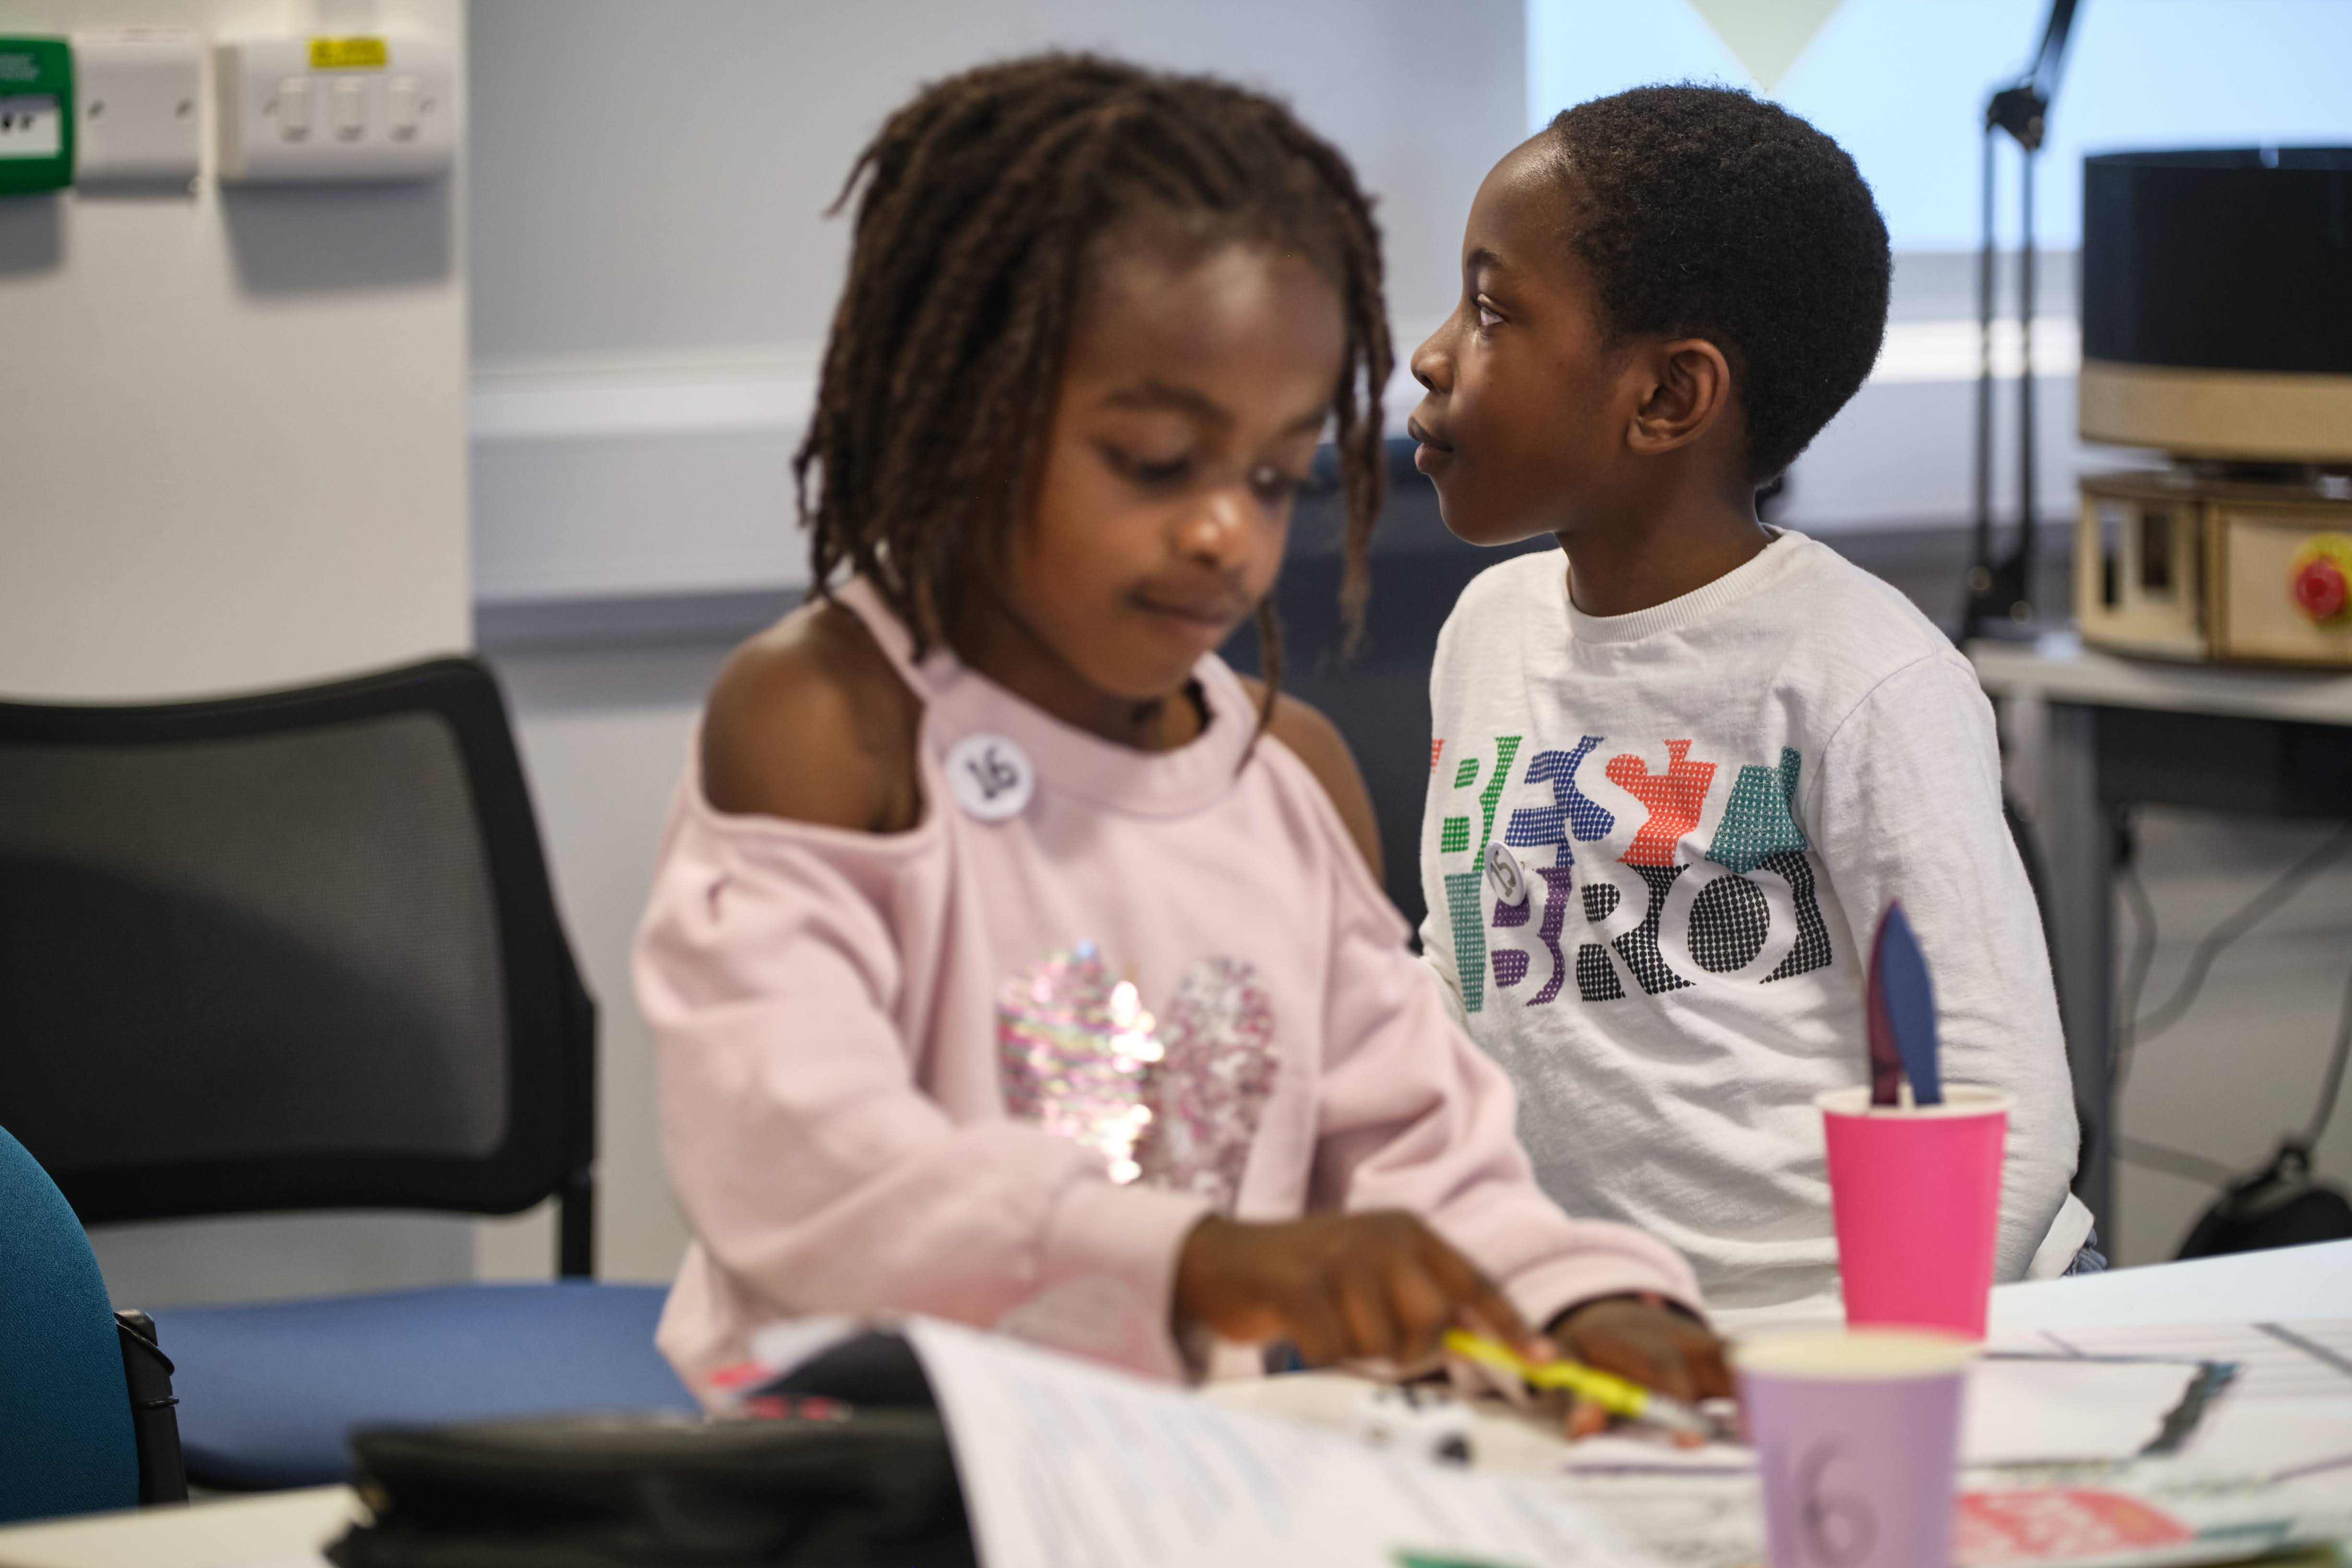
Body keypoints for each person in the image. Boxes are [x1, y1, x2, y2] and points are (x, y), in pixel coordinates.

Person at [635, 55, 1725, 1415]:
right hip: (850, 1465)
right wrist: (1197, 1261)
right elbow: (799, 1160)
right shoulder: (830, 720)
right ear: (962, 409)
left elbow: (1422, 1146)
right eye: (1156, 462)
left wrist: (1572, 1298)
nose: (1225, 531)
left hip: (1165, 1467)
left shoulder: (1279, 772)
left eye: (1271, 474)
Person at [1408, 85, 2096, 1312]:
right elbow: (1464, 987)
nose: (1432, 351)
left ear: (1667, 397)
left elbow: (1997, 1102)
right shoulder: (1484, 632)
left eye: (1492, 310)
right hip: (1642, 1340)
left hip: (1894, 1325)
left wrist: (1885, 1364)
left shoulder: (1860, 671)